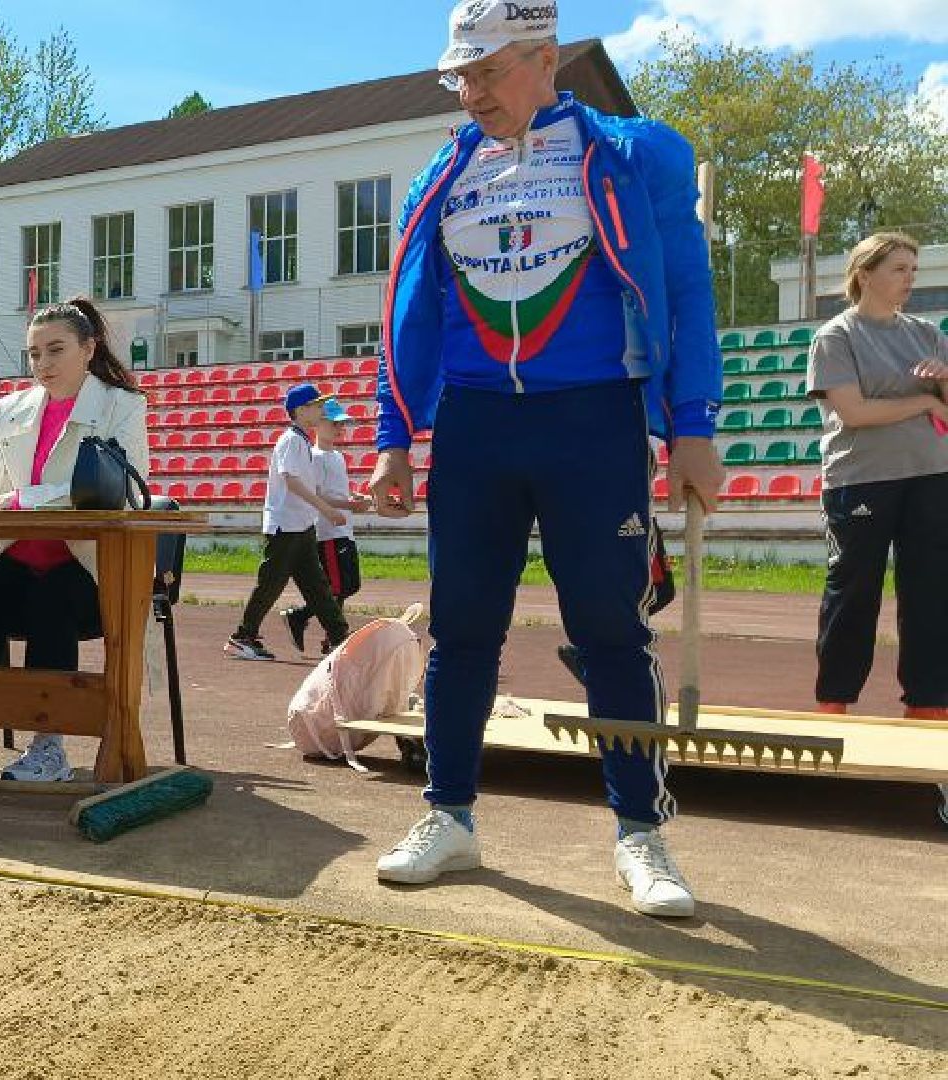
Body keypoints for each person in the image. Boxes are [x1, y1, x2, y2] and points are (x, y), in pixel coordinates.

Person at [367, 5, 726, 918]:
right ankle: (448, 816)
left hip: (594, 421)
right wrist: (393, 438)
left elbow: (685, 289)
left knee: (610, 632)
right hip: (478, 427)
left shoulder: (634, 154)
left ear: (546, 59)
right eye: (462, 76)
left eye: (487, 72)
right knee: (461, 630)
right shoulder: (442, 176)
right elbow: (413, 313)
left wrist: (693, 424)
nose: (471, 92)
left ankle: (641, 835)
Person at [0, 298, 150, 780]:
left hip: (89, 569)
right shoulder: (9, 408)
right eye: (34, 353)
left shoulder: (122, 406)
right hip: (14, 556)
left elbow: (121, 488)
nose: (42, 364)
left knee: (53, 597)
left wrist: (22, 498)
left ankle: (49, 748)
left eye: (55, 350)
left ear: (89, 348)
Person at [806, 232, 948, 719]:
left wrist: (944, 382)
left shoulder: (928, 334)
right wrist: (927, 400)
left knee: (933, 591)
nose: (910, 278)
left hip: (932, 475)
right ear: (865, 274)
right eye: (898, 269)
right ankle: (834, 702)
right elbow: (855, 412)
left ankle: (930, 704)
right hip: (860, 480)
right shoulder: (836, 336)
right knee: (854, 592)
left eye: (914, 268)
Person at [228, 384, 359, 661]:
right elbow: (292, 481)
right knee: (270, 585)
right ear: (300, 410)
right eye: (317, 405)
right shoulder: (291, 440)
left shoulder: (302, 441)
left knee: (317, 586)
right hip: (285, 527)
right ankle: (243, 637)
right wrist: (325, 508)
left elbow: (306, 482)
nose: (322, 409)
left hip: (301, 526)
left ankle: (339, 636)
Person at [285, 406, 367, 655]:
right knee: (338, 585)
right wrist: (349, 504)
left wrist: (353, 497)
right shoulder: (316, 456)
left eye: (341, 424)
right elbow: (317, 494)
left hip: (343, 528)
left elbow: (335, 490)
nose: (340, 428)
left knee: (348, 584)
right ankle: (311, 623)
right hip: (328, 531)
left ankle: (327, 632)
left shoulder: (338, 456)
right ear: (318, 425)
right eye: (334, 423)